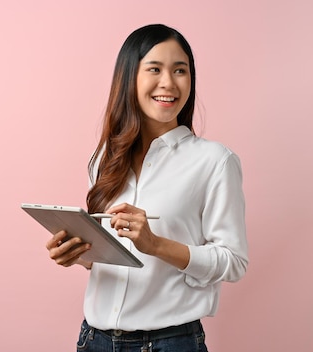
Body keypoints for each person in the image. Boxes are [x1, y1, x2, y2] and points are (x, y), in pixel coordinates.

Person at [45, 24, 248, 352]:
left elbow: (234, 261)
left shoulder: (215, 161)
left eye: (180, 70)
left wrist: (155, 243)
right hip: (94, 339)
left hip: (169, 342)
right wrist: (79, 254)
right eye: (154, 69)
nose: (168, 82)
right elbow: (110, 260)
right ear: (129, 78)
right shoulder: (104, 159)